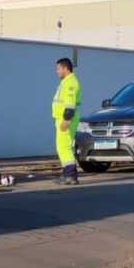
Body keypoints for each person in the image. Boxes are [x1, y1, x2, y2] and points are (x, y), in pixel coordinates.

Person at [53, 56, 82, 185]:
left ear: (65, 68)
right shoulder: (66, 82)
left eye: (58, 69)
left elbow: (70, 104)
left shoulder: (71, 83)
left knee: (64, 147)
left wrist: (66, 119)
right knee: (62, 147)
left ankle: (70, 175)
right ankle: (67, 173)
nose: (57, 71)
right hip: (62, 119)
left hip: (66, 119)